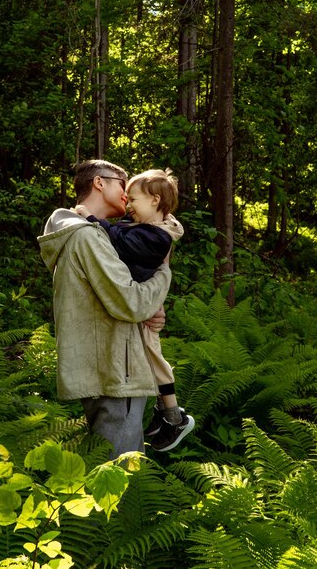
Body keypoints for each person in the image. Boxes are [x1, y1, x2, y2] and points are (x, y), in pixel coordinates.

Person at [38, 160, 172, 458]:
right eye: (122, 184)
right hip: (114, 370)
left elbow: (118, 297)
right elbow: (132, 302)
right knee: (115, 472)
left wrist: (153, 311)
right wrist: (164, 274)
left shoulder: (92, 235)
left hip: (110, 365)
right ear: (99, 183)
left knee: (117, 466)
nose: (127, 194)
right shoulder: (87, 236)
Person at [74, 168, 194, 452]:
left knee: (153, 359)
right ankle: (165, 413)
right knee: (151, 359)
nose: (128, 204)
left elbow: (121, 241)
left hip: (142, 313)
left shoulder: (156, 237)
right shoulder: (142, 224)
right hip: (139, 311)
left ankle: (173, 416)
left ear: (154, 201)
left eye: (135, 199)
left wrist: (92, 219)